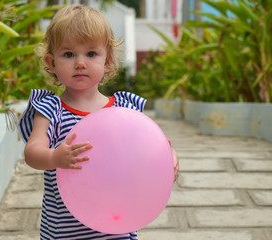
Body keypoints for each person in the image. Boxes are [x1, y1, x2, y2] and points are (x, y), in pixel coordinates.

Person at [19, 4, 179, 239]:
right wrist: (54, 157)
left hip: (116, 221)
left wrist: (170, 159)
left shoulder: (124, 110)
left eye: (91, 54)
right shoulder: (51, 110)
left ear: (107, 61)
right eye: (68, 54)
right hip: (65, 229)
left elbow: (155, 146)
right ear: (51, 63)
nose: (80, 63)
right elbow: (32, 152)